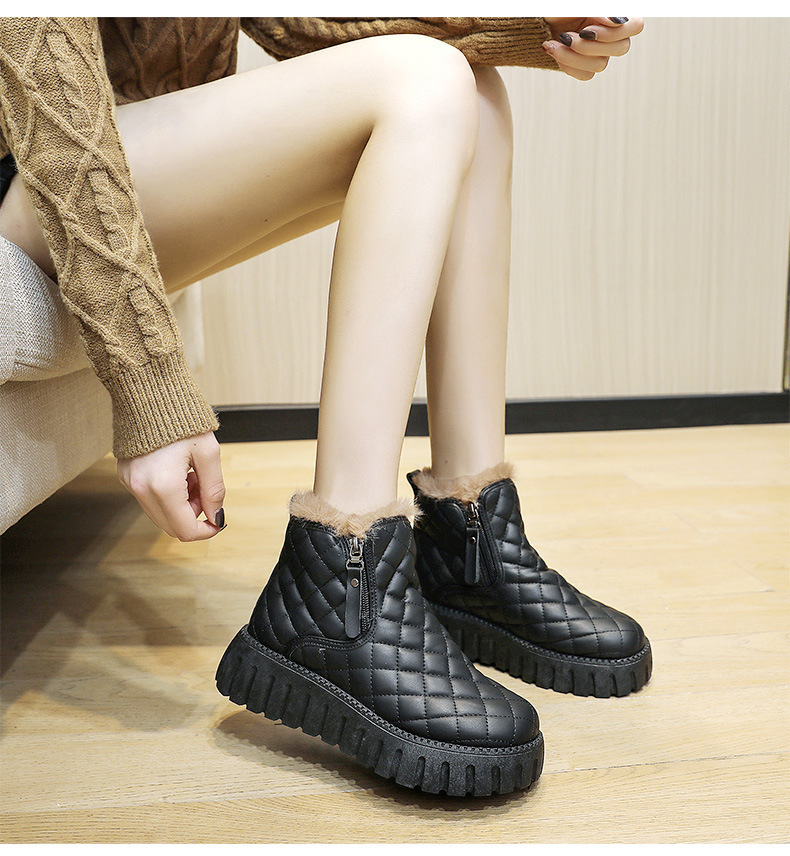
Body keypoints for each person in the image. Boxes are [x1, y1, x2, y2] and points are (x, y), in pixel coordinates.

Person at [0, 16, 649, 797]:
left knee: (472, 88)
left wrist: (521, 27)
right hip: (33, 148)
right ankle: (340, 577)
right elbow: (43, 72)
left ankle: (469, 539)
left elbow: (293, 26)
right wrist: (149, 386)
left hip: (130, 140)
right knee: (424, 81)